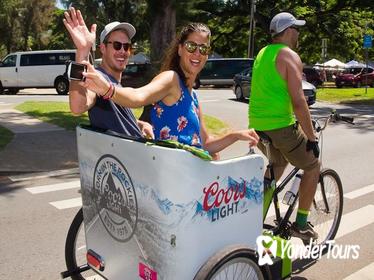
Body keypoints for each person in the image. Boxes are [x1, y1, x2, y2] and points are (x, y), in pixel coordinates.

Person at [78, 22, 259, 156]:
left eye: (203, 48)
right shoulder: (171, 79)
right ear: (180, 49)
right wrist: (107, 89)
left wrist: (236, 135)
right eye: (191, 46)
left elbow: (206, 143)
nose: (197, 53)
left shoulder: (193, 96)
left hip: (192, 180)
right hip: (170, 183)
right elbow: (138, 96)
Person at [248, 12, 320, 241]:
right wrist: (312, 137)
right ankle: (301, 224)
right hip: (280, 126)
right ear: (288, 31)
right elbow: (299, 102)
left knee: (276, 167)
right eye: (296, 29)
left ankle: (253, 219)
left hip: (258, 126)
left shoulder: (262, 53)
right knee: (313, 166)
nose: (298, 33)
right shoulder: (289, 55)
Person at [63, 7, 153, 138]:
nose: (122, 51)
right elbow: (78, 107)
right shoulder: (99, 78)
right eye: (117, 45)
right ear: (103, 48)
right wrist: (82, 52)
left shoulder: (116, 84)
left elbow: (118, 119)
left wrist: (140, 124)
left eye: (126, 46)